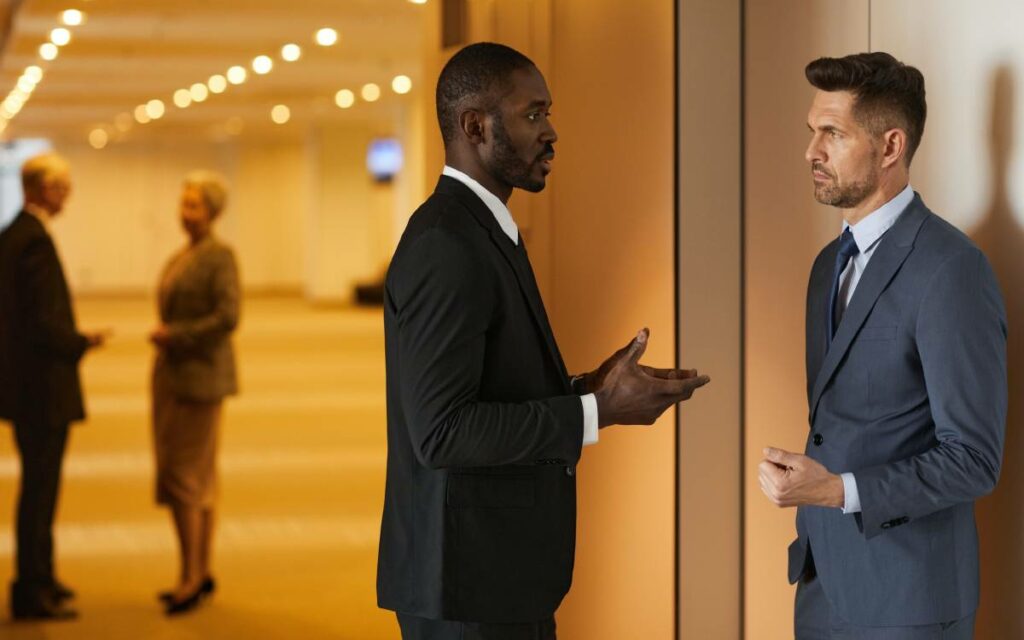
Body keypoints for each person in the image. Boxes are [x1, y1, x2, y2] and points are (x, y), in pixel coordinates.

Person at [377, 42, 710, 640]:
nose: (551, 132)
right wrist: (594, 412)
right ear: (475, 125)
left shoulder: (483, 231)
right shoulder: (445, 245)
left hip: (493, 574)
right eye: (533, 115)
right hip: (464, 588)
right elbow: (442, 432)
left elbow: (487, 389)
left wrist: (591, 388)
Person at [758, 52, 1007, 638]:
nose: (810, 152)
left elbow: (974, 460)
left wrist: (837, 489)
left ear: (890, 147)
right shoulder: (827, 266)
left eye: (832, 134)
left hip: (910, 602)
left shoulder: (953, 270)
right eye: (811, 132)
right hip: (822, 587)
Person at [0, 152, 108, 620]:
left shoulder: (11, 236)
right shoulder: (35, 242)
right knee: (41, 491)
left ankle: (40, 576)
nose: (68, 194)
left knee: (38, 488)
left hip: (22, 385)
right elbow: (43, 324)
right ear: (44, 189)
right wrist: (80, 341)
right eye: (63, 186)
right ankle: (32, 588)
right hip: (41, 389)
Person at [149, 170, 240, 616]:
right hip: (174, 377)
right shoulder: (186, 254)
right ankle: (195, 572)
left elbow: (228, 316)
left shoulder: (219, 256)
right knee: (191, 479)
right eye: (183, 203)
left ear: (213, 212)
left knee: (187, 480)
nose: (185, 213)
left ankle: (191, 576)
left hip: (198, 380)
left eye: (193, 206)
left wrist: (176, 335)